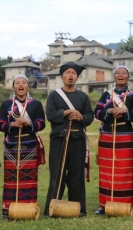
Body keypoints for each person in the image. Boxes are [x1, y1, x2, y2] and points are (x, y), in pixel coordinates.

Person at [43, 62, 94, 217]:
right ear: (62, 76)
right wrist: (65, 112)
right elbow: (50, 115)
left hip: (77, 138)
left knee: (76, 174)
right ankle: (52, 208)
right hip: (59, 138)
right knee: (56, 173)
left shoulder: (83, 96)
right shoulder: (54, 95)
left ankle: (78, 208)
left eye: (73, 73)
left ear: (77, 78)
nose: (71, 75)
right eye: (68, 73)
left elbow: (89, 116)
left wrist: (80, 116)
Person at [0, 74, 46, 219]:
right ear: (13, 87)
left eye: (23, 82)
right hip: (11, 144)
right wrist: (11, 124)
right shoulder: (7, 104)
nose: (20, 85)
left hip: (30, 144)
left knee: (29, 177)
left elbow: (42, 123)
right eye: (17, 83)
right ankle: (8, 209)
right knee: (11, 177)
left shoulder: (35, 104)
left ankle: (28, 208)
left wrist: (29, 123)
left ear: (27, 86)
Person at [94, 66, 133, 215]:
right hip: (107, 135)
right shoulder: (106, 95)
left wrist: (125, 111)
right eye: (118, 73)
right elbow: (97, 113)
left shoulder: (132, 96)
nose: (120, 75)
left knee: (124, 169)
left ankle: (126, 203)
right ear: (114, 77)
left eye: (124, 73)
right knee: (106, 170)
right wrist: (109, 111)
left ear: (128, 77)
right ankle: (104, 204)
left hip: (124, 136)